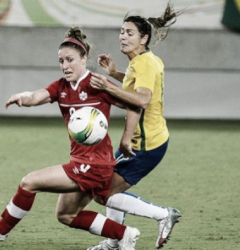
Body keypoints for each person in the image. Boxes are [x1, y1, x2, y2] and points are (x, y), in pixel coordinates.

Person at [0, 27, 141, 250]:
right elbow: (36, 96)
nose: (65, 66)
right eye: (61, 61)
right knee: (66, 214)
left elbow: (135, 104)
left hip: (94, 164)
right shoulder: (60, 87)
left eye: (70, 60)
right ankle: (125, 234)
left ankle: (1, 228)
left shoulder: (97, 84)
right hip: (82, 162)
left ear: (84, 58)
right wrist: (22, 97)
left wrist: (126, 138)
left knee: (29, 182)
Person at [88, 3, 183, 250]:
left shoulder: (144, 63)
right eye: (121, 31)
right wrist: (115, 73)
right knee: (104, 186)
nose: (123, 36)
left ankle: (162, 215)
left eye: (129, 33)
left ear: (144, 38)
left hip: (145, 144)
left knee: (103, 192)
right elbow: (136, 87)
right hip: (152, 139)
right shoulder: (144, 60)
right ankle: (114, 242)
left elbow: (140, 100)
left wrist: (108, 86)